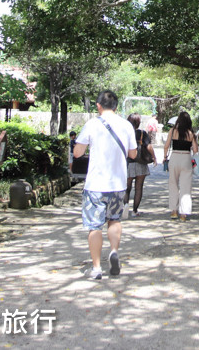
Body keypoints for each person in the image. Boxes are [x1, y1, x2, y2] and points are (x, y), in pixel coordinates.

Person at [72, 90, 137, 280]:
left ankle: (97, 268)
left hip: (95, 185)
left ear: (98, 106)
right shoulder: (126, 125)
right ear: (116, 107)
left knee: (95, 226)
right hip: (118, 183)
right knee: (114, 220)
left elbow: (77, 153)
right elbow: (133, 154)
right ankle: (114, 251)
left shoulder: (92, 124)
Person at [164, 110, 199, 221]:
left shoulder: (172, 131)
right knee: (186, 187)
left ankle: (174, 211)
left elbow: (166, 146)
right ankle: (184, 213)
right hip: (186, 158)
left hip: (174, 157)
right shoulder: (190, 133)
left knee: (173, 184)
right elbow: (195, 150)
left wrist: (165, 157)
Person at [125, 113, 156, 216]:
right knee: (139, 188)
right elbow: (149, 147)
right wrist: (154, 158)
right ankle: (134, 211)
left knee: (127, 188)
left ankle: (125, 208)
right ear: (138, 123)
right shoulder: (142, 133)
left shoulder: (124, 133)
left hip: (128, 163)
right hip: (141, 163)